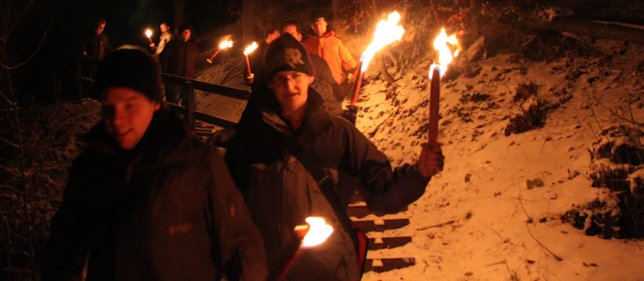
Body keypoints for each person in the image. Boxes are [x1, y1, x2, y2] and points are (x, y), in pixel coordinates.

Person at [224, 34, 444, 280]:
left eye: (296, 76)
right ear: (270, 85)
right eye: (280, 78)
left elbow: (382, 194)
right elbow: (226, 211)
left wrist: (419, 173)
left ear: (309, 77)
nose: (289, 86)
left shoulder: (339, 134)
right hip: (272, 270)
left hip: (329, 270)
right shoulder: (251, 139)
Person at [43, 47, 268, 281]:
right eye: (108, 105)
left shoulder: (197, 165)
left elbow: (241, 245)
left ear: (155, 103)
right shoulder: (91, 169)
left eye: (130, 105)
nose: (117, 120)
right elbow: (63, 251)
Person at [278, 20, 342, 117]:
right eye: (284, 35)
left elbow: (332, 93)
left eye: (291, 34)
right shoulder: (274, 65)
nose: (288, 39)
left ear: (299, 37)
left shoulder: (317, 63)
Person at [302, 11, 357, 99]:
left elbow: (350, 64)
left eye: (320, 24)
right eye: (315, 25)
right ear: (311, 27)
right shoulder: (305, 45)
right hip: (316, 89)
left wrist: (353, 72)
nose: (318, 27)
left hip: (336, 86)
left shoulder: (336, 43)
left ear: (325, 23)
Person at [159, 23, 202, 107]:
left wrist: (206, 62)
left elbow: (198, 62)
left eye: (188, 32)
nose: (186, 34)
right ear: (181, 33)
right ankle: (172, 120)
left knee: (190, 106)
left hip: (189, 82)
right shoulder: (172, 45)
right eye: (185, 32)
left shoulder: (193, 48)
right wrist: (166, 77)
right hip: (174, 82)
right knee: (172, 106)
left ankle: (189, 120)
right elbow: (163, 60)